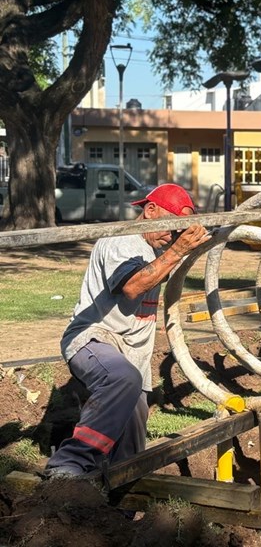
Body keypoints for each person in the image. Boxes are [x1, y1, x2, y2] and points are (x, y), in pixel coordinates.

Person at [44, 184, 209, 478]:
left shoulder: (158, 248)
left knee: (131, 452)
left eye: (177, 231)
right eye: (170, 227)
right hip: (93, 339)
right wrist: (178, 250)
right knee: (121, 377)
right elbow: (132, 286)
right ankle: (68, 463)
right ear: (150, 211)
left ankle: (117, 512)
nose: (171, 236)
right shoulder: (124, 240)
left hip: (133, 356)